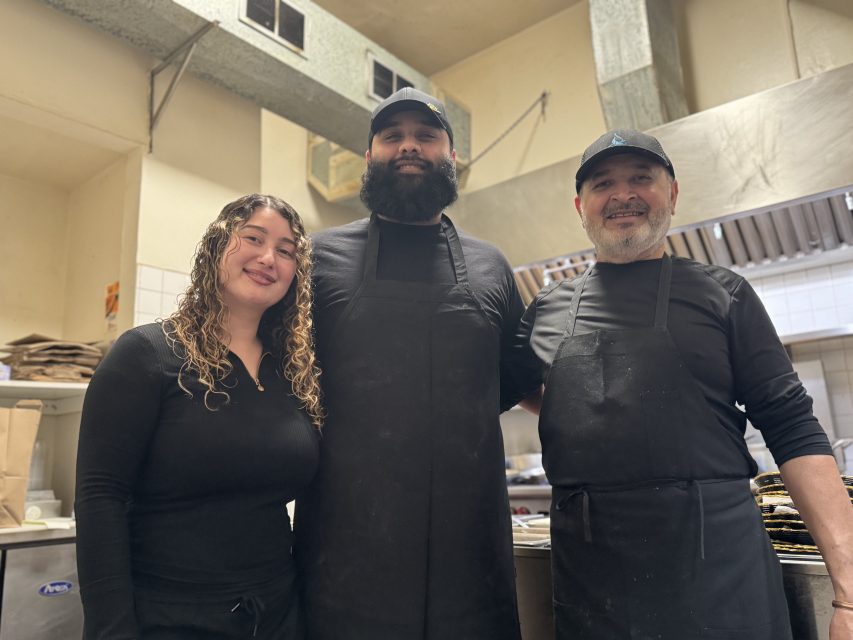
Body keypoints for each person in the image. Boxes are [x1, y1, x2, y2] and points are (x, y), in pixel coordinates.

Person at [512, 129, 853, 639]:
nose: (622, 194)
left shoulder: (724, 295)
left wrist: (847, 591)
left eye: (641, 178)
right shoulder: (547, 308)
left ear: (671, 194)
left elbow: (792, 427)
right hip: (591, 576)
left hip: (715, 570)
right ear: (580, 205)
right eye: (604, 183)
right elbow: (522, 387)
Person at [295, 88, 534, 640]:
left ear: (451, 158)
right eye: (392, 136)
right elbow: (279, 377)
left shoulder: (490, 265)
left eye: (427, 136)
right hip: (346, 552)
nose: (409, 147)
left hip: (469, 550)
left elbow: (518, 380)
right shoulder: (318, 257)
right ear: (369, 157)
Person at [75, 194, 323, 639]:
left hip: (279, 615)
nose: (269, 258)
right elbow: (99, 498)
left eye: (286, 251)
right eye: (253, 238)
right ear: (217, 246)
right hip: (172, 616)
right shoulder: (146, 354)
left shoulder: (293, 372)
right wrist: (111, 629)